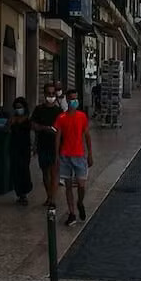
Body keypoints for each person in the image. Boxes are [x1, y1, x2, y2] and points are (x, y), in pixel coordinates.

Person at [55, 90, 93, 227]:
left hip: (80, 155)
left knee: (82, 186)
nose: (74, 101)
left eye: (76, 99)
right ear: (67, 100)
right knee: (68, 186)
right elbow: (58, 137)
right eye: (71, 99)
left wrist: (90, 154)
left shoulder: (82, 116)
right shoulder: (61, 118)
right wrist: (57, 155)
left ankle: (80, 202)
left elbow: (87, 136)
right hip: (65, 155)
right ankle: (72, 213)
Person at [31, 84, 62, 208]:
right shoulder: (39, 110)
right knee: (45, 173)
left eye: (53, 93)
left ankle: (52, 199)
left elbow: (62, 129)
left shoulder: (59, 112)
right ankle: (49, 196)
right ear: (44, 94)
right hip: (42, 145)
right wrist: (44, 128)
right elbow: (33, 125)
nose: (51, 96)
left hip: (56, 146)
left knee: (54, 173)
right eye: (48, 93)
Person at [7, 97, 33, 204]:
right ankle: (20, 194)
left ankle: (24, 194)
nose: (18, 109)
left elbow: (32, 132)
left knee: (24, 170)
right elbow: (7, 130)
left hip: (25, 148)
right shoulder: (13, 119)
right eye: (17, 107)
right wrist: (10, 123)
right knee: (15, 170)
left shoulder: (28, 119)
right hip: (14, 147)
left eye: (20, 107)